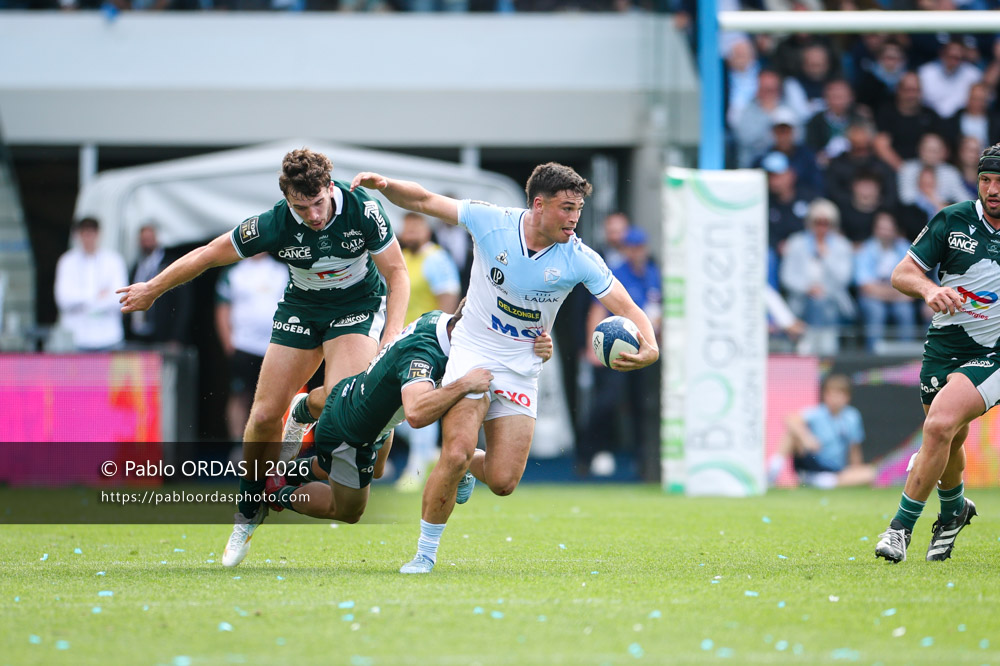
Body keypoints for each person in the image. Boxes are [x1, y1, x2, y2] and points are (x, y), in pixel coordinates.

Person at [350, 162, 659, 574]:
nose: (574, 218)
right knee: (455, 451)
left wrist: (651, 346)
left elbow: (626, 305)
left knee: (502, 481)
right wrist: (385, 186)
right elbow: (424, 201)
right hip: (472, 351)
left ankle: (467, 469)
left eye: (579, 209)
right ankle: (424, 553)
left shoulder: (579, 258)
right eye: (566, 208)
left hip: (521, 368)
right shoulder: (491, 221)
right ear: (538, 204)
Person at [117, 148, 410, 568]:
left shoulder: (363, 210)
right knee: (263, 417)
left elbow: (397, 273)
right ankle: (248, 511)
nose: (311, 215)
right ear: (287, 199)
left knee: (347, 408)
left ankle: (309, 411)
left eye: (317, 204)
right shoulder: (274, 223)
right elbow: (207, 254)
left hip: (357, 309)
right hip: (302, 311)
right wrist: (152, 289)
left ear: (331, 188)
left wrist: (391, 334)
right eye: (300, 207)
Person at [873, 142, 1000, 564]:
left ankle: (899, 530)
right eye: (986, 180)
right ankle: (953, 512)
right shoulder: (953, 219)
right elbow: (901, 273)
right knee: (950, 435)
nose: (993, 189)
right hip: (944, 346)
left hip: (992, 352)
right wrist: (929, 288)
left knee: (940, 425)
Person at [263, 305, 497, 527]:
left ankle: (285, 465)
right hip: (351, 431)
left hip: (364, 405)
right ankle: (274, 493)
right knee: (347, 510)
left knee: (375, 470)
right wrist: (465, 384)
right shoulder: (423, 354)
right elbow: (416, 413)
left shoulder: (441, 321)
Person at [578, 227, 661, 478]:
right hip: (614, 351)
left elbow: (658, 312)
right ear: (625, 249)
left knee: (642, 406)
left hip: (644, 352)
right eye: (631, 247)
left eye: (640, 247)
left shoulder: (654, 274)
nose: (636, 252)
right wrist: (593, 348)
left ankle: (643, 463)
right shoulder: (616, 274)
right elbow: (596, 311)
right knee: (606, 403)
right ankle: (585, 455)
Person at [394, 212, 461, 491]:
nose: (409, 233)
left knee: (418, 404)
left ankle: (416, 468)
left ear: (426, 230)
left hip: (427, 343)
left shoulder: (437, 259)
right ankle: (428, 454)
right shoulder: (402, 258)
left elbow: (449, 302)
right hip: (401, 342)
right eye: (406, 228)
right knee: (396, 409)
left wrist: (442, 343)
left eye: (415, 227)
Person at [214, 252, 289, 443]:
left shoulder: (282, 271)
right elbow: (222, 308)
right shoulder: (233, 272)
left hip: (274, 347)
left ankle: (271, 446)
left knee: (274, 400)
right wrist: (228, 343)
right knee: (240, 395)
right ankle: (237, 445)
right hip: (243, 345)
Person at [768, 374, 874, 489]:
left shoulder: (852, 416)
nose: (835, 399)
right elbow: (789, 419)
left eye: (839, 395)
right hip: (814, 461)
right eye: (831, 395)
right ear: (825, 396)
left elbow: (854, 448)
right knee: (791, 434)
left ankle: (824, 481)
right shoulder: (817, 413)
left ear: (847, 397)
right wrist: (807, 437)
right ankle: (773, 471)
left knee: (870, 473)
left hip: (835, 469)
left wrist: (855, 473)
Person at [779, 198, 855, 356]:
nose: (821, 227)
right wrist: (808, 288)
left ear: (833, 224)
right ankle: (816, 349)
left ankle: (820, 349)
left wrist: (826, 256)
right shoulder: (796, 242)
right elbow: (787, 277)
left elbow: (843, 279)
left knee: (822, 303)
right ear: (809, 223)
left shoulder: (842, 245)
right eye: (817, 222)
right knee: (816, 303)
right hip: (802, 299)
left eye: (826, 222)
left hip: (833, 300)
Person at [54, 217, 128, 351]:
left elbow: (121, 299)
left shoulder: (114, 261)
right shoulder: (66, 261)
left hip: (109, 337)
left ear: (98, 234)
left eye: (91, 233)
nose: (88, 238)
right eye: (84, 233)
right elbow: (63, 299)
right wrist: (97, 295)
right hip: (77, 339)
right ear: (78, 235)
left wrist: (82, 301)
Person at [854, 210, 917, 352]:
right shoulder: (866, 249)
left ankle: (906, 361)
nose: (885, 232)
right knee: (876, 311)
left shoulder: (906, 248)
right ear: (875, 230)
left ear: (895, 230)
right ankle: (874, 359)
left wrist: (899, 293)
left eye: (889, 228)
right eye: (882, 228)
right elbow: (866, 288)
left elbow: (914, 286)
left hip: (896, 298)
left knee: (905, 312)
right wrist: (898, 293)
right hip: (874, 298)